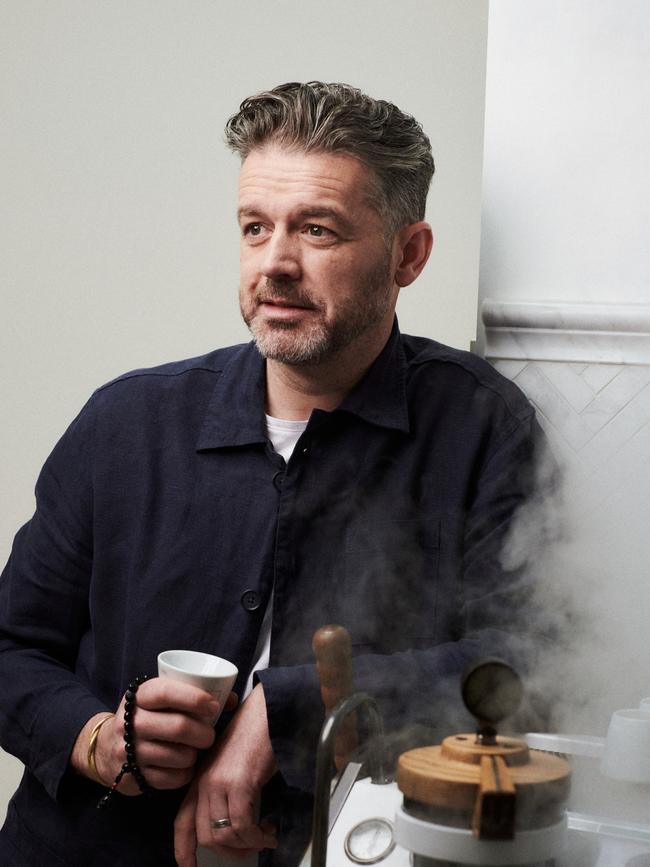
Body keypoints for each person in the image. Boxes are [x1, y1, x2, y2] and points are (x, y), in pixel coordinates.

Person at [0, 81, 546, 866]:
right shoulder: (124, 422)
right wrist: (93, 739)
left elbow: (526, 669)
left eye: (317, 230)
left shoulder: (485, 427)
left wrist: (296, 707)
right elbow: (13, 644)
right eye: (256, 228)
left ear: (409, 253)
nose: (275, 264)